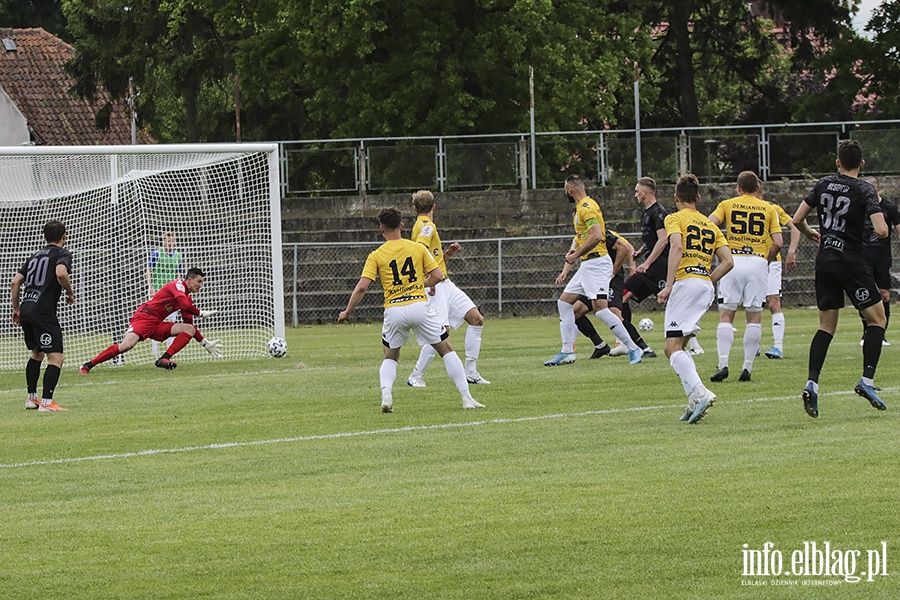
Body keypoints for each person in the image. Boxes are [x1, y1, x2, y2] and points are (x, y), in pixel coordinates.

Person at [338, 207, 484, 412]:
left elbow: (362, 286)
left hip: (394, 310)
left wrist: (347, 312)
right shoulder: (417, 248)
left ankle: (387, 395)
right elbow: (437, 276)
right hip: (419, 306)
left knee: (390, 356)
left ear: (381, 229)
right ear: (402, 226)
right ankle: (467, 398)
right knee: (446, 349)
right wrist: (418, 284)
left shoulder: (376, 255)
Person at [791, 140, 889, 418]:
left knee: (826, 326)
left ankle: (812, 383)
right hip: (851, 262)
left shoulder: (823, 183)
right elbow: (881, 229)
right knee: (877, 319)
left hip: (825, 260)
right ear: (862, 164)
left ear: (837, 162)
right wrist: (876, 232)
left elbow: (797, 219)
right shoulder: (864, 188)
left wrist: (810, 232)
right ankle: (867, 381)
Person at [657, 174, 733, 424]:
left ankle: (700, 393)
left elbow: (677, 248)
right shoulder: (710, 225)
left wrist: (669, 286)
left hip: (686, 283)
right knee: (681, 346)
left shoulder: (674, 218)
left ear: (676, 197)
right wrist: (707, 281)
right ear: (698, 199)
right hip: (704, 285)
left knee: (671, 347)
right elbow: (728, 262)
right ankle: (692, 401)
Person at [544, 175, 642, 366]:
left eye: (565, 190)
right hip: (588, 264)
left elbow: (597, 236)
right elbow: (585, 236)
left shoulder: (586, 208)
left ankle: (633, 347)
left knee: (601, 310)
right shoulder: (585, 207)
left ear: (570, 190)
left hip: (597, 264)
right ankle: (567, 352)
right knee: (564, 303)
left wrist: (576, 254)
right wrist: (575, 253)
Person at [405, 190, 490, 388]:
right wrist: (428, 279)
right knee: (440, 331)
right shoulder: (427, 226)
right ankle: (416, 375)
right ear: (434, 207)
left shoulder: (422, 225)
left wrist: (447, 255)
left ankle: (471, 372)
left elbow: (430, 257)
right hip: (437, 285)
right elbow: (420, 249)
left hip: (446, 284)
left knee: (476, 319)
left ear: (414, 209)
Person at [707, 171, 782, 383]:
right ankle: (747, 368)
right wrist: (765, 261)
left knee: (726, 315)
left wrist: (720, 247)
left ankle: (723, 364)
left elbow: (710, 226)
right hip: (757, 260)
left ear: (738, 187)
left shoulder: (727, 204)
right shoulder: (769, 208)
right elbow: (778, 242)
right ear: (757, 188)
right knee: (754, 316)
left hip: (733, 259)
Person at [79, 268, 222, 373]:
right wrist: (200, 313)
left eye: (202, 282)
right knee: (127, 345)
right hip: (144, 317)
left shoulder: (187, 298)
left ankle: (164, 359)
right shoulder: (177, 285)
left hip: (158, 323)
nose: (200, 285)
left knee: (188, 329)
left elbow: (189, 325)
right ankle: (88, 365)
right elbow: (185, 306)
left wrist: (204, 342)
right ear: (189, 279)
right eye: (199, 281)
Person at [10, 220, 75, 412]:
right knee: (56, 358)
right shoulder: (63, 254)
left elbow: (15, 282)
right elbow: (61, 273)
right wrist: (70, 292)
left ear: (44, 237)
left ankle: (32, 398)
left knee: (36, 354)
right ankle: (46, 402)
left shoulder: (34, 256)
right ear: (65, 236)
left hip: (27, 309)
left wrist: (16, 309)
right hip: (43, 312)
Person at [613, 176, 670, 357]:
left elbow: (663, 240)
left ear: (645, 193)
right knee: (620, 300)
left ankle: (693, 344)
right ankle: (636, 345)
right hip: (649, 267)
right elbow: (651, 241)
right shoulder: (645, 213)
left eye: (637, 191)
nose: (635, 194)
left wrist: (647, 262)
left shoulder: (659, 212)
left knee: (672, 303)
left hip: (659, 266)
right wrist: (640, 251)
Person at [561, 229, 636, 358]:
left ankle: (637, 347)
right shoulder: (579, 238)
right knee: (572, 308)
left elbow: (626, 247)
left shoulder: (603, 234)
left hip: (606, 274)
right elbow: (572, 255)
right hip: (589, 275)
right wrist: (565, 272)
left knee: (607, 311)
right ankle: (594, 346)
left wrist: (630, 267)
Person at [858, 176, 900, 347]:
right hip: (862, 257)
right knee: (865, 295)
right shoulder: (859, 208)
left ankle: (881, 334)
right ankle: (866, 332)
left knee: (884, 295)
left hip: (882, 258)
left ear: (875, 189)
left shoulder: (889, 207)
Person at [762, 195, 800, 359]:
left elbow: (795, 226)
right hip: (750, 261)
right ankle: (752, 344)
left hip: (771, 262)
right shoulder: (737, 206)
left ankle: (778, 346)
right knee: (751, 304)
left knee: (773, 302)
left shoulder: (773, 208)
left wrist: (791, 250)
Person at [146, 232, 183, 356]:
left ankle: (170, 349)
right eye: (168, 241)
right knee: (155, 321)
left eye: (172, 241)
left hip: (171, 295)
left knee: (171, 321)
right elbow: (148, 271)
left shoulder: (178, 255)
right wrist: (151, 288)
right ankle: (154, 350)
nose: (170, 244)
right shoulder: (157, 254)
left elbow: (178, 274)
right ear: (163, 242)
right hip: (157, 293)